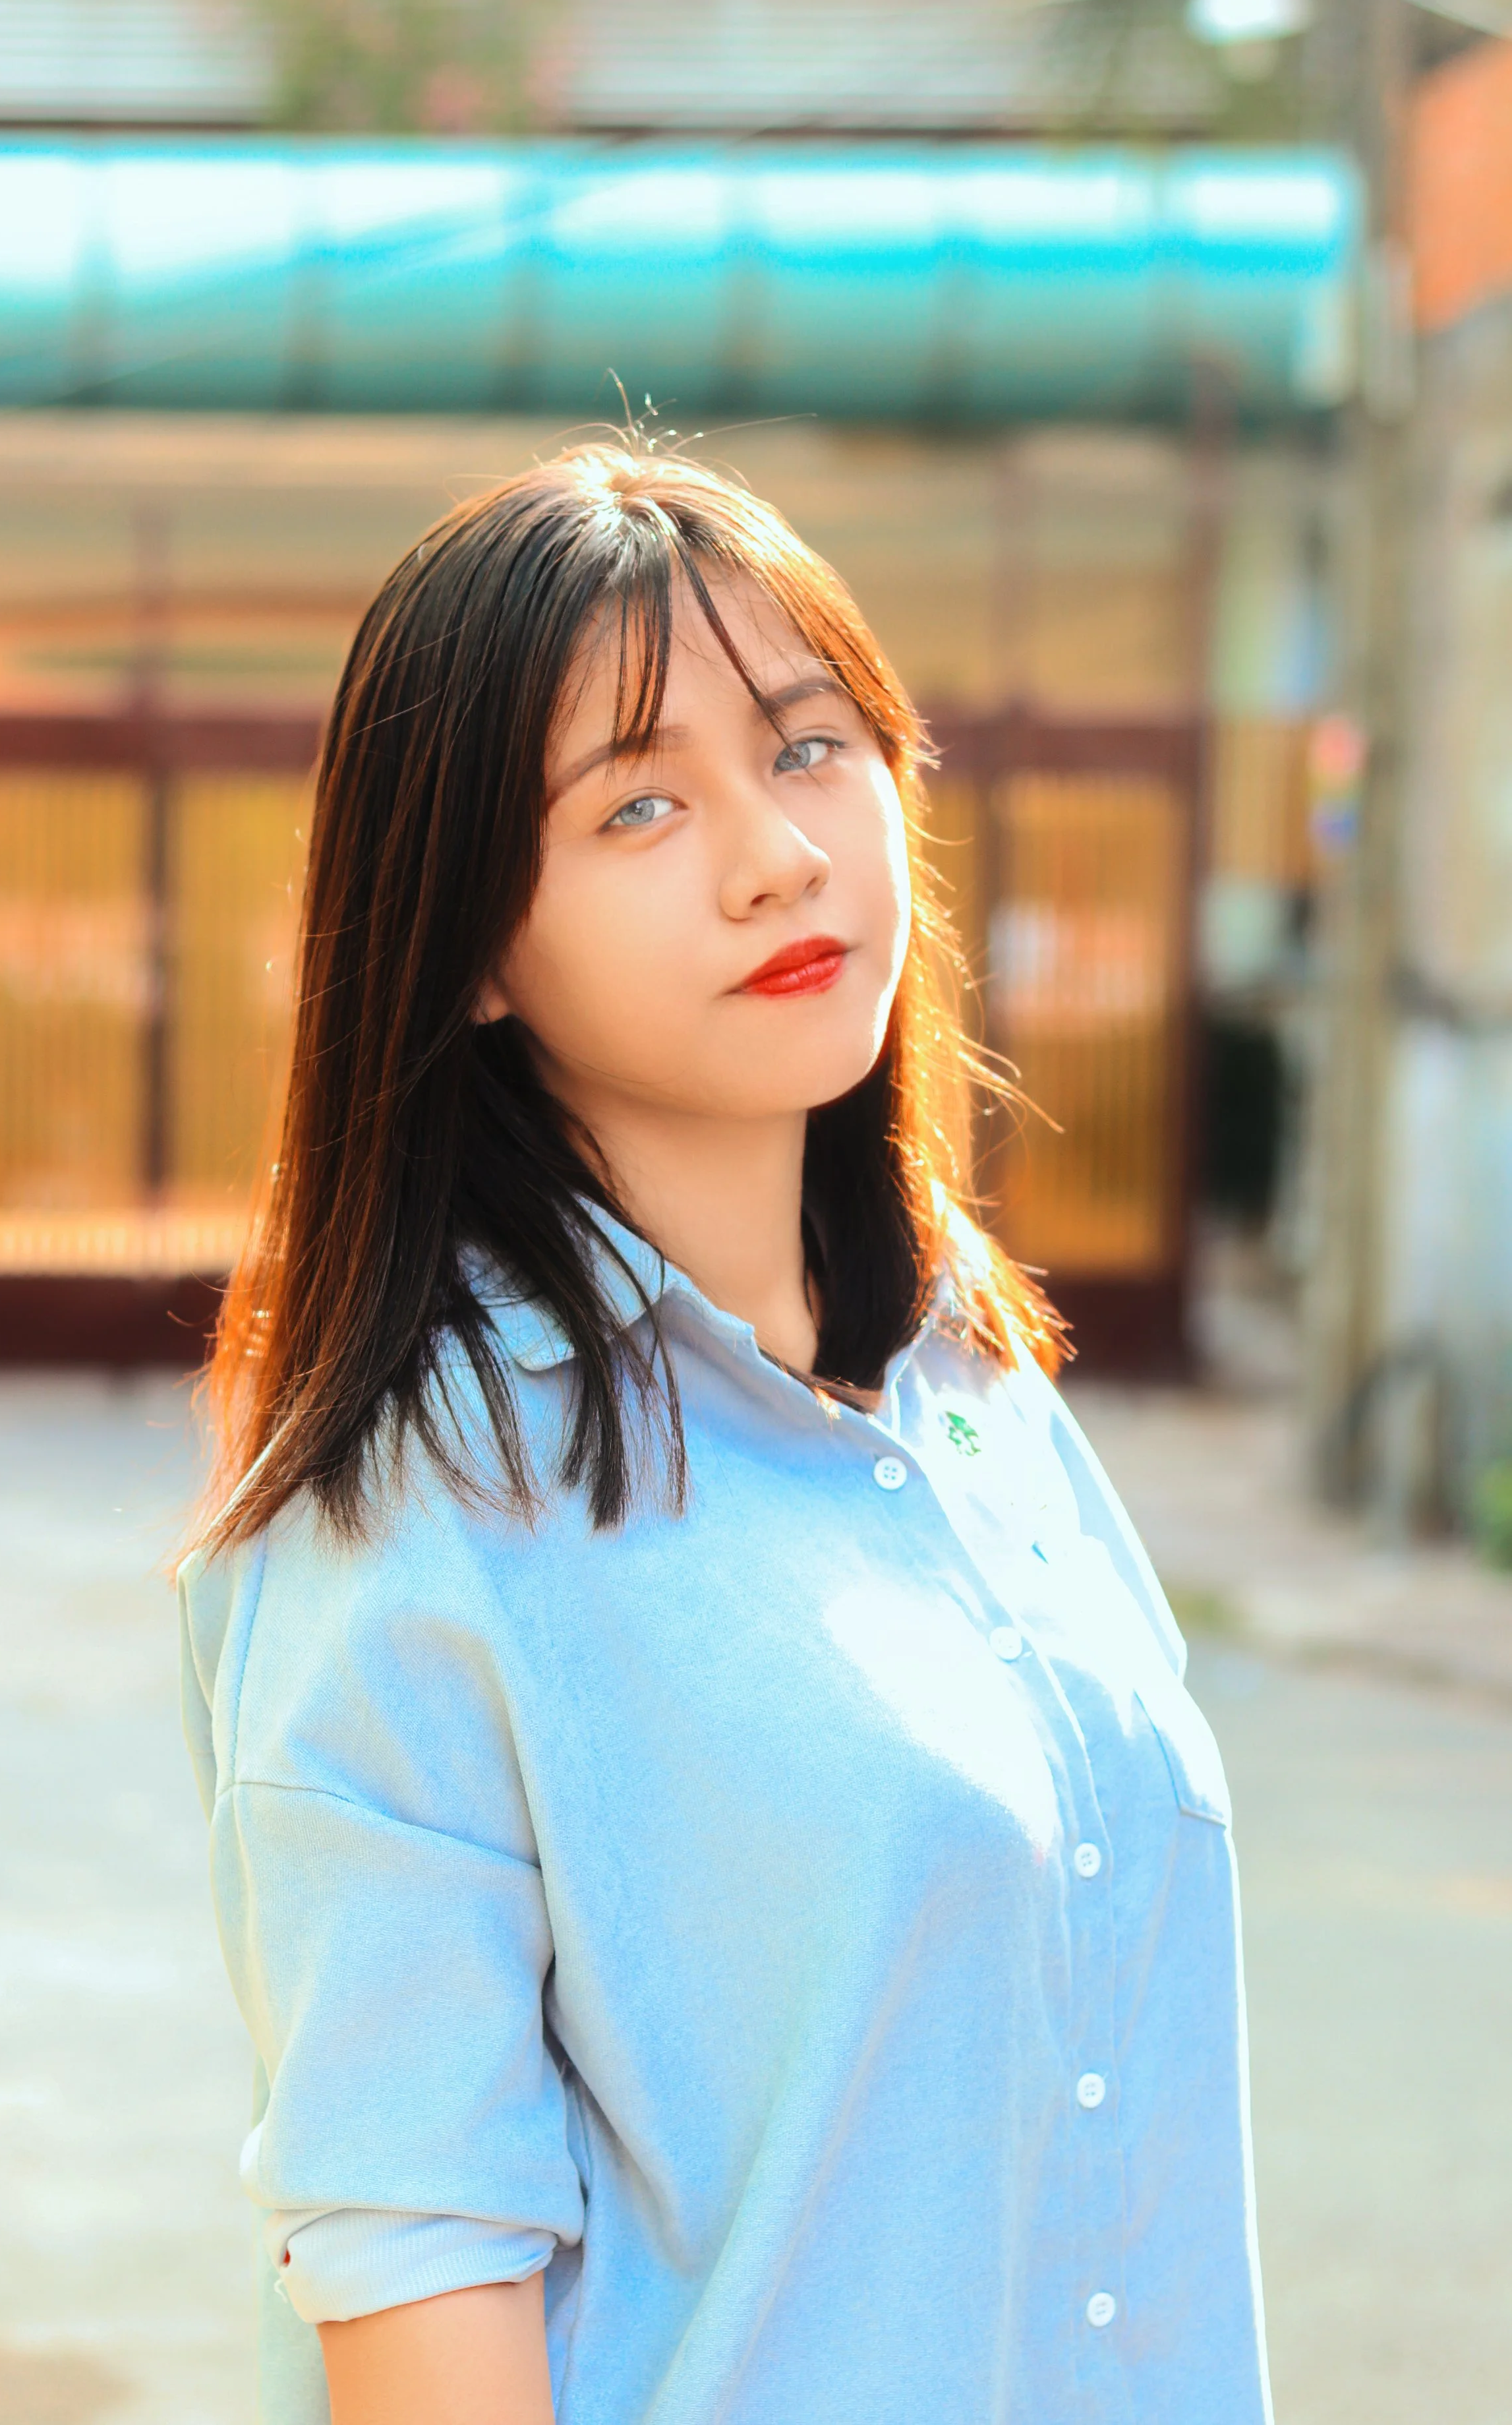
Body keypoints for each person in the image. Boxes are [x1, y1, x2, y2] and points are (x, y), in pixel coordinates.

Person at [180, 442, 1271, 2425]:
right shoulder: (419, 1502)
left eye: (809, 745)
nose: (773, 853)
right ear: (473, 949)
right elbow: (414, 2264)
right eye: (639, 802)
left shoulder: (976, 1392)